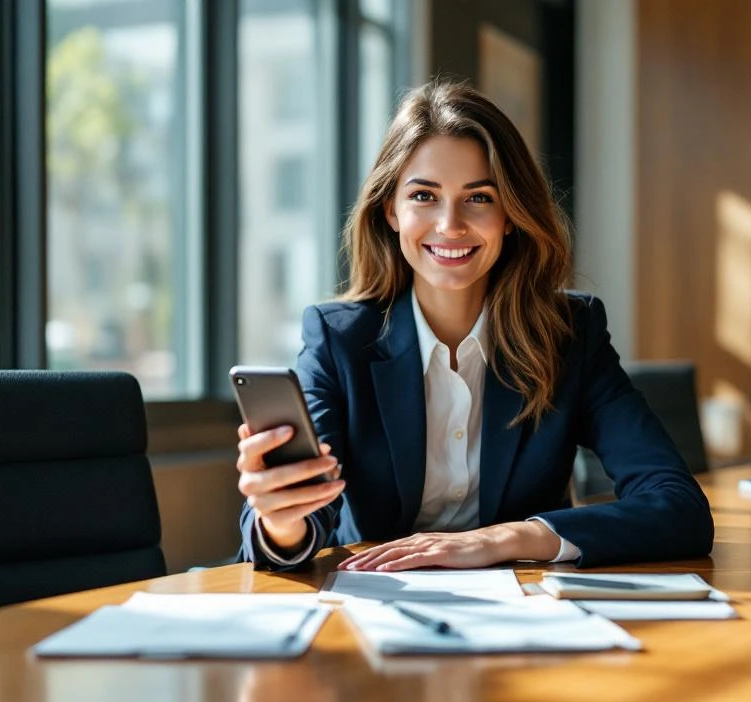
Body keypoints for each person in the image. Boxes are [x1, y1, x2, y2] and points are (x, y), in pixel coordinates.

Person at [235, 79, 712, 572]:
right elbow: (291, 528)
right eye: (424, 196)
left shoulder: (570, 332)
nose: (450, 225)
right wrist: (282, 520)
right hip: (374, 603)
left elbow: (679, 507)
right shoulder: (339, 340)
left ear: (510, 215)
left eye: (479, 198)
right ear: (390, 212)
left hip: (527, 609)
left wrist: (507, 539)